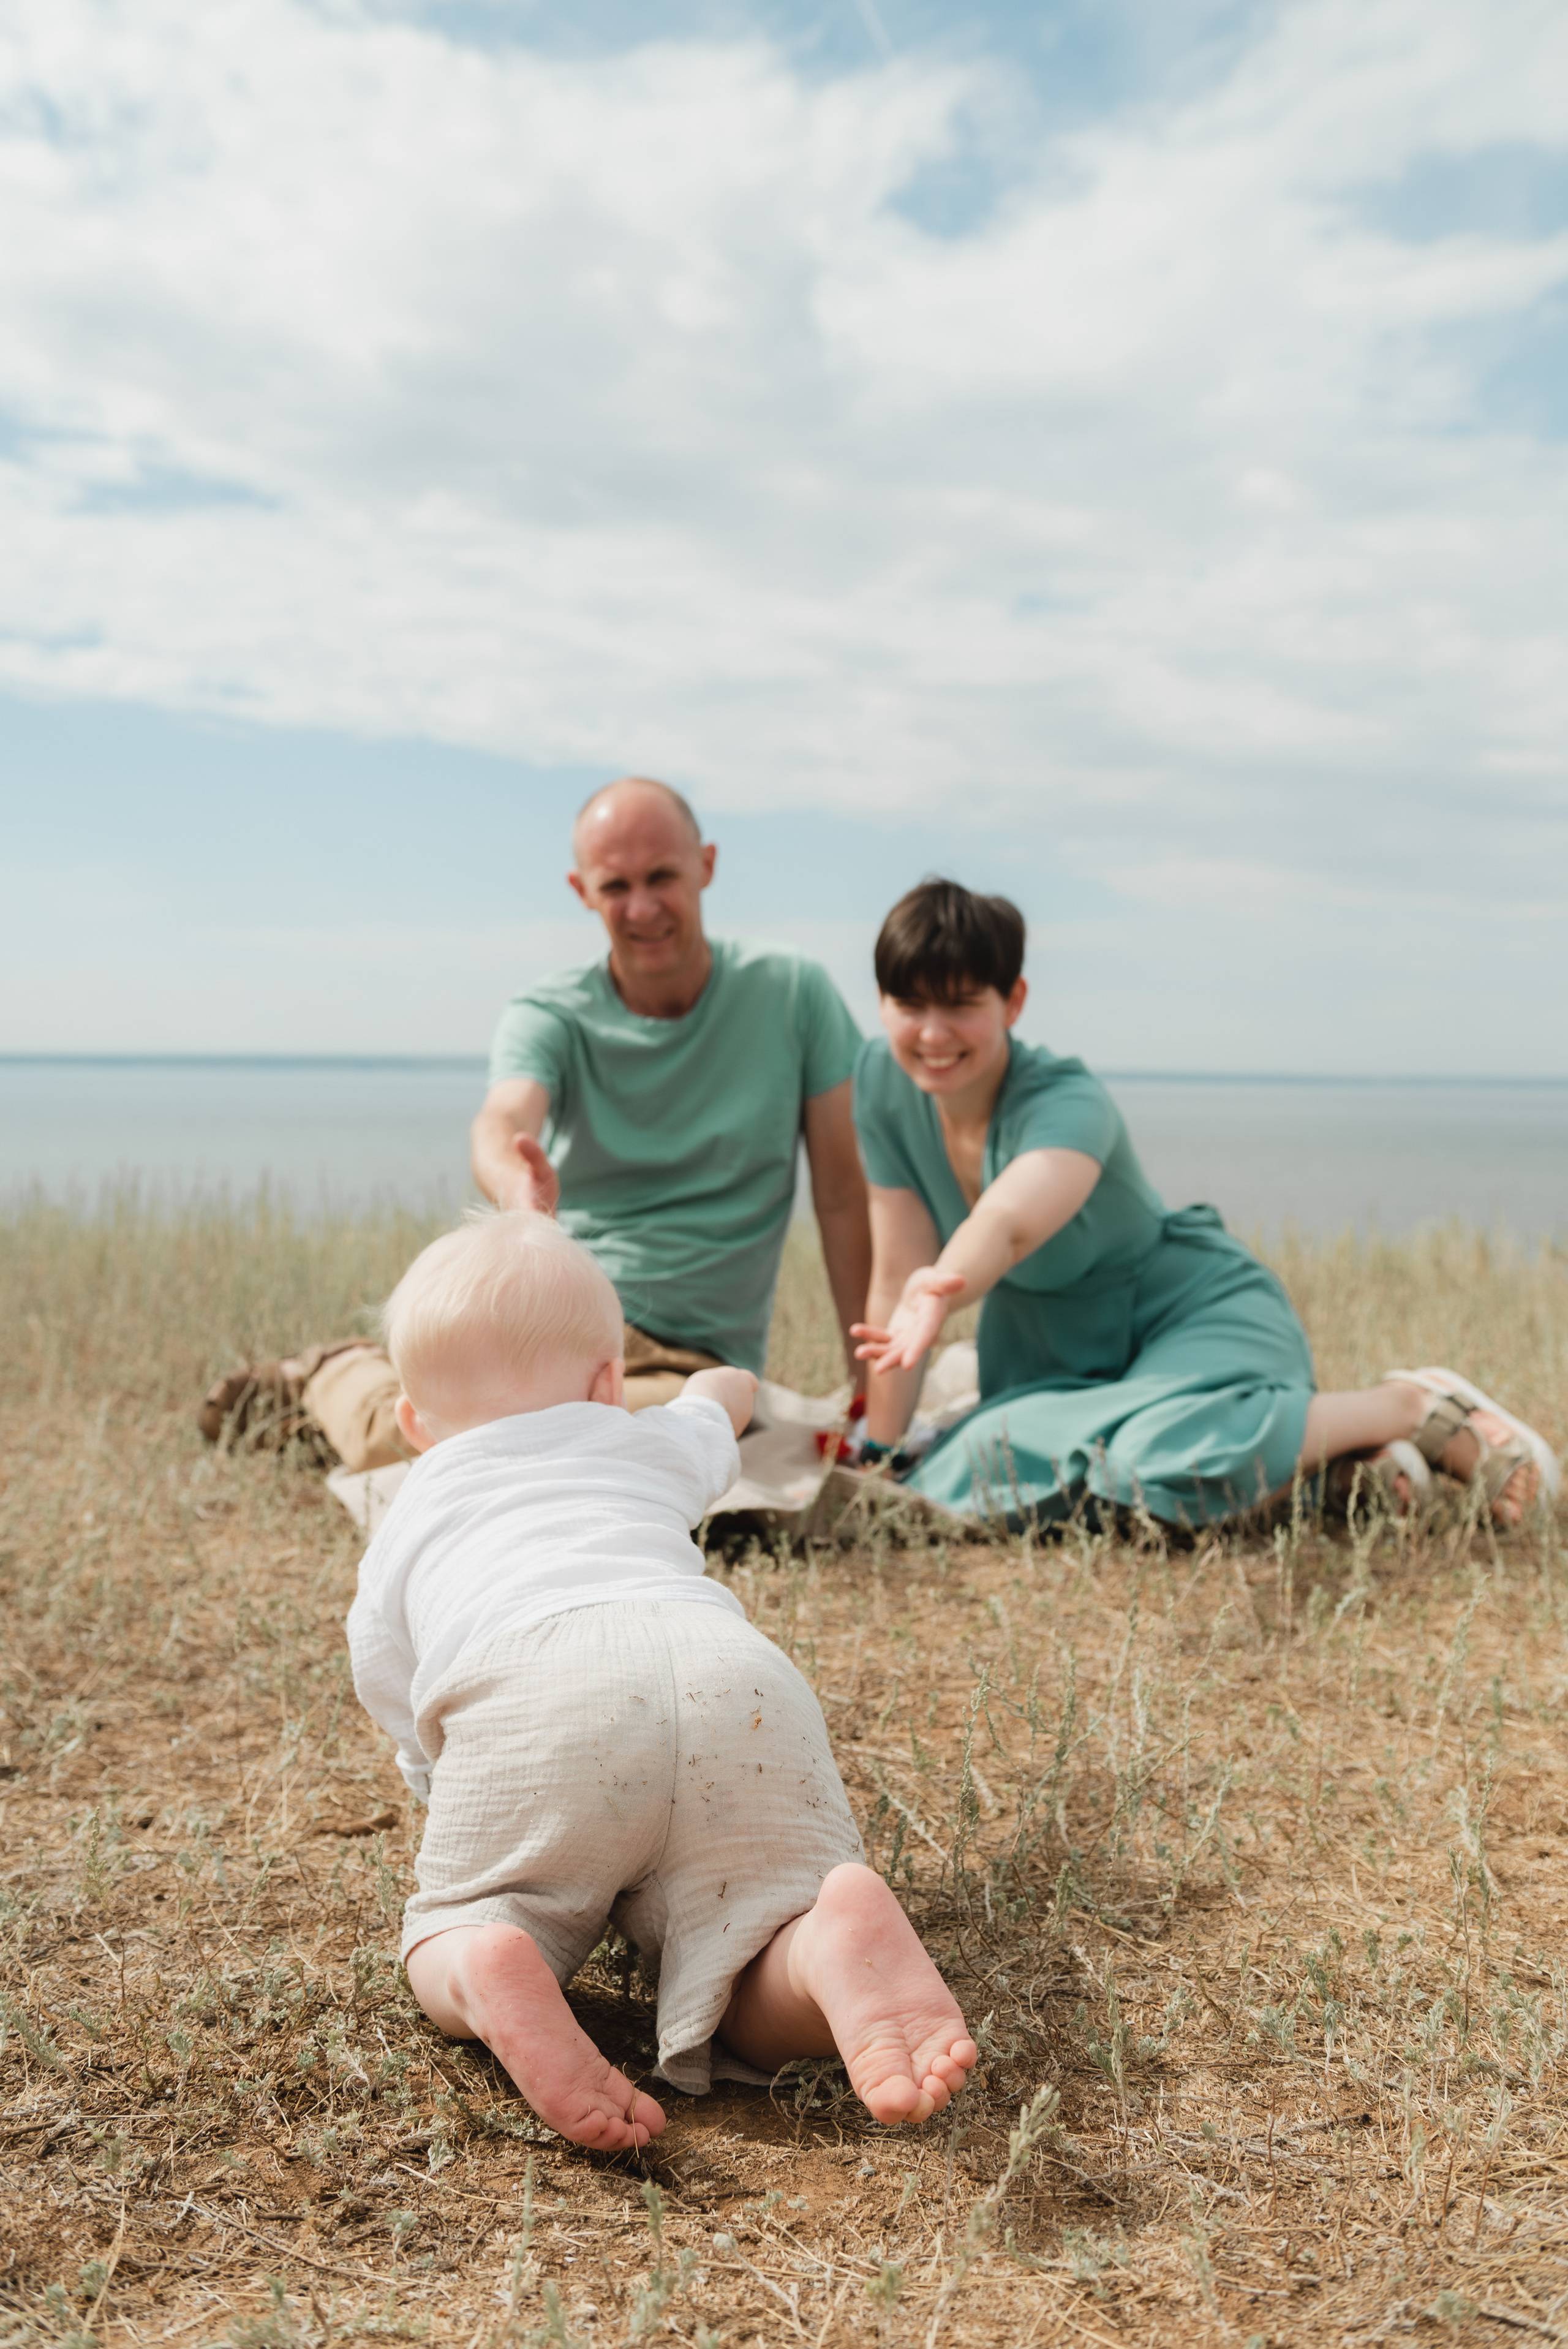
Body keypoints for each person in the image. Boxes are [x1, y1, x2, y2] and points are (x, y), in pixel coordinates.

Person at [347, 1210, 978, 2148]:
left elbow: (384, 1660)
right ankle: (822, 1941)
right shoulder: (640, 1439)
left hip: (535, 1693)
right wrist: (705, 1390)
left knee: (453, 1923)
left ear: (412, 1424)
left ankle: (484, 1956)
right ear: (608, 1385)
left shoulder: (419, 1493)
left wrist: (430, 1768)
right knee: (753, 1947)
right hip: (732, 1677)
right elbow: (726, 1394)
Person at [200, 777, 871, 1467]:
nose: (642, 908)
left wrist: (866, 1393)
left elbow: (846, 1197)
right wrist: (518, 1195)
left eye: (662, 877)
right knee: (454, 1452)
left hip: (691, 1356)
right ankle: (336, 1373)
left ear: (706, 864)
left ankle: (346, 1392)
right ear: (581, 889)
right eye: (615, 886)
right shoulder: (549, 1012)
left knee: (605, 1453)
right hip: (551, 1324)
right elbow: (501, 1120)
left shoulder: (794, 993)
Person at [850, 880, 1561, 1529]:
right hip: (1051, 1354)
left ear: (1014, 1001)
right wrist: (880, 1448)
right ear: (881, 1003)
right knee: (970, 1480)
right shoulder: (881, 1081)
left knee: (1149, 1461)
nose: (933, 1034)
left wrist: (945, 1285)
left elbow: (1004, 1226)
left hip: (1185, 1315)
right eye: (909, 1005)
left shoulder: (1068, 1099)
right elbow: (894, 1274)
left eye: (961, 1004)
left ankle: (1405, 1406)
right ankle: (1339, 1470)